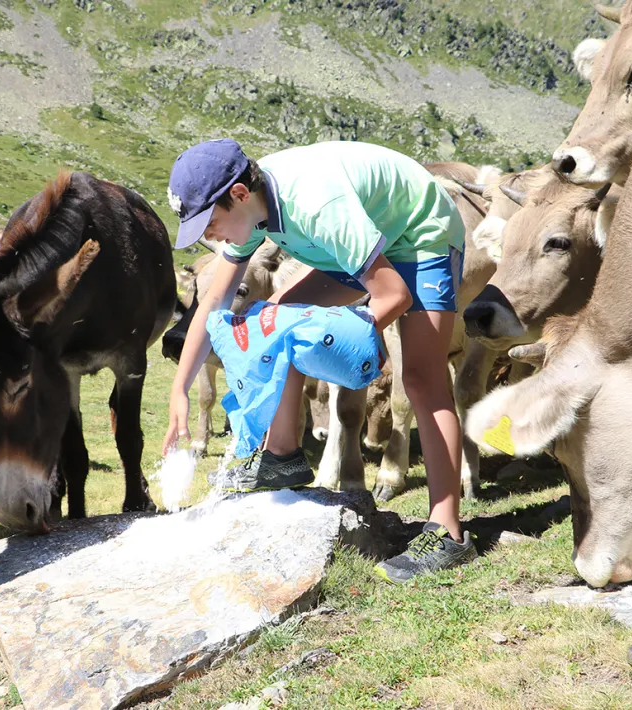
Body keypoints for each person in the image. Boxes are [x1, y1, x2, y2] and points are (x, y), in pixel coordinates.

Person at [161, 138, 476, 583]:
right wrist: (179, 390)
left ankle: (447, 532)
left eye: (209, 223)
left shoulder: (316, 205)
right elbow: (214, 300)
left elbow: (394, 294)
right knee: (276, 320)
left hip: (421, 233)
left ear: (237, 195)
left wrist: (352, 332)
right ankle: (282, 456)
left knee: (423, 379)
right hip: (367, 235)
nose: (209, 236)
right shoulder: (249, 211)